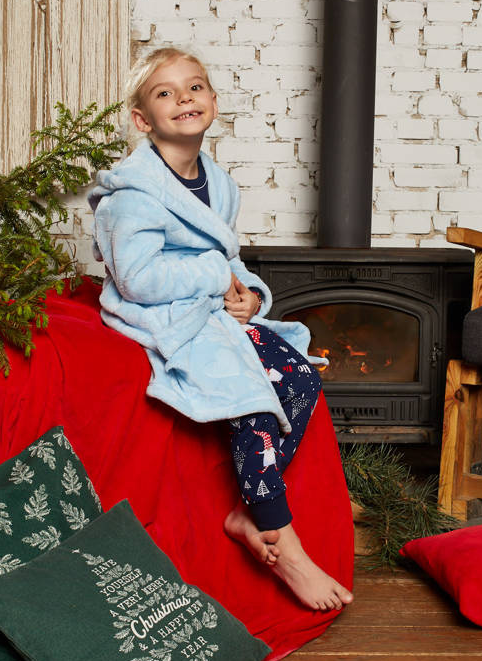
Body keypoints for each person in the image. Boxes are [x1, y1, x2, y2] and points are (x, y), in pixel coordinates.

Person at [88, 46, 353, 612]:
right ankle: (280, 534)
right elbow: (137, 279)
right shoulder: (131, 197)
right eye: (165, 93)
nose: (184, 98)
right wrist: (215, 279)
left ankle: (244, 509)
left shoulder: (219, 183)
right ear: (142, 120)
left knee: (299, 376)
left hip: (209, 306)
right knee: (249, 391)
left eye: (195, 86)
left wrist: (250, 297)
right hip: (162, 312)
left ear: (212, 99)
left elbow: (228, 259)